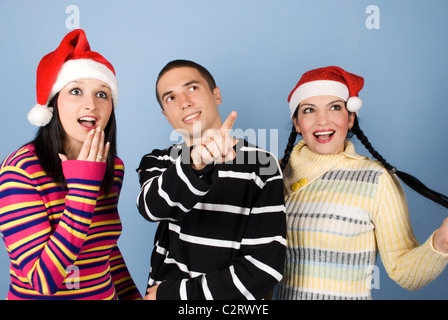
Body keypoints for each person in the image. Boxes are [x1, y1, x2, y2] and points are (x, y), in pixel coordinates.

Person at [275, 66, 448, 300]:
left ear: (350, 119)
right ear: (297, 123)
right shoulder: (273, 174)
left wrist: (441, 243)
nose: (322, 120)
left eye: (335, 107)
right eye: (309, 110)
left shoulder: (376, 180)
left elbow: (404, 272)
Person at [0, 29, 141, 300]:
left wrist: (133, 296)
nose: (91, 104)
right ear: (52, 104)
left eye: (103, 94)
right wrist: (84, 189)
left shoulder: (114, 167)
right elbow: (42, 280)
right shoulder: (21, 171)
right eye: (76, 91)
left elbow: (105, 250)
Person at [136, 59, 286, 300]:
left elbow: (263, 268)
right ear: (166, 115)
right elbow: (152, 208)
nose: (184, 102)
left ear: (217, 95)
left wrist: (174, 295)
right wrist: (196, 164)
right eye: (170, 97)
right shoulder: (160, 161)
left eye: (192, 88)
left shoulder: (263, 165)